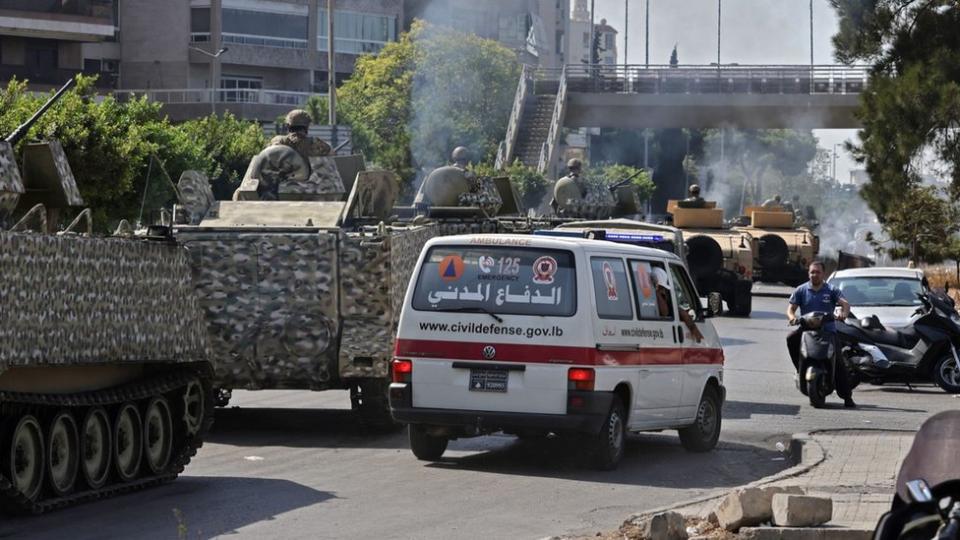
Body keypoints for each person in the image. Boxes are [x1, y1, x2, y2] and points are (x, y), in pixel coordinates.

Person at [786, 261, 855, 407]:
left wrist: (844, 313)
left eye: (817, 272)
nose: (814, 275)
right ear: (808, 273)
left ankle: (847, 397)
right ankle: (799, 368)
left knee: (839, 363)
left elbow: (845, 304)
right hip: (806, 330)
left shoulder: (831, 290)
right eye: (812, 272)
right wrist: (792, 318)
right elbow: (791, 309)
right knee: (791, 338)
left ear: (823, 274)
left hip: (828, 332)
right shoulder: (801, 290)